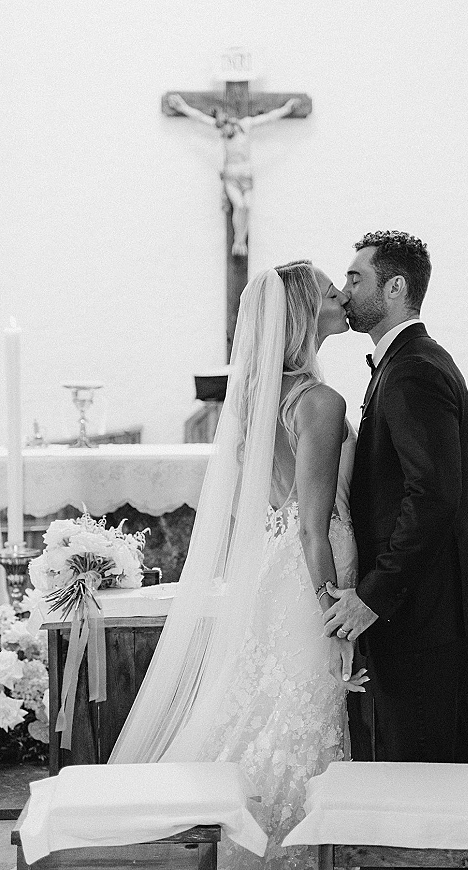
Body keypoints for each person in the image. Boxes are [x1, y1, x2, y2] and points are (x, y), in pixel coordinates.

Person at [109, 262, 365, 870]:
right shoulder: (319, 400)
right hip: (311, 571)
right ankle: (291, 851)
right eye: (331, 292)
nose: (342, 299)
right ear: (304, 314)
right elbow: (311, 521)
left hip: (278, 570)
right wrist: (333, 607)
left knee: (272, 709)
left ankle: (256, 847)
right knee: (303, 712)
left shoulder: (258, 397)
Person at [323, 230, 468, 763]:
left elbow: (432, 498)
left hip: (423, 613)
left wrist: (373, 595)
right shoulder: (402, 363)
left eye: (357, 278)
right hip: (418, 607)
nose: (345, 291)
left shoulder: (413, 370)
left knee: (424, 769)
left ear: (395, 287)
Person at [167, 94, 300, 256]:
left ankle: (241, 241)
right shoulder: (222, 127)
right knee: (240, 205)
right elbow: (200, 117)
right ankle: (239, 241)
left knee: (248, 206)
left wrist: (286, 109)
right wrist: (182, 107)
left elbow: (268, 118)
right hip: (231, 176)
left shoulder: (247, 124)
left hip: (246, 175)